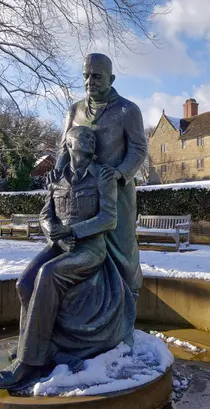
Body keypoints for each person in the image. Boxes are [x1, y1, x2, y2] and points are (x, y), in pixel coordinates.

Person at [0, 126, 135, 391]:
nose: (91, 138)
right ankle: (41, 346)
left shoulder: (102, 175)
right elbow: (46, 214)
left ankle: (27, 362)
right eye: (83, 136)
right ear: (69, 144)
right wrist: (53, 233)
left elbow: (108, 218)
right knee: (24, 283)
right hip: (60, 243)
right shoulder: (56, 177)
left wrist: (73, 231)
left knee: (48, 274)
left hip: (89, 247)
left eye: (92, 137)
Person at [56, 53, 148, 296]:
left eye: (96, 76)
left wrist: (119, 173)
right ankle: (87, 303)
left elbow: (138, 148)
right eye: (85, 76)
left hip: (117, 190)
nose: (90, 81)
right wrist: (58, 174)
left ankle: (127, 299)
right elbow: (64, 148)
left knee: (122, 248)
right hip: (83, 190)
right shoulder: (74, 110)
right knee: (82, 247)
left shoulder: (128, 110)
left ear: (111, 78)